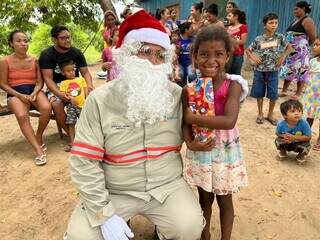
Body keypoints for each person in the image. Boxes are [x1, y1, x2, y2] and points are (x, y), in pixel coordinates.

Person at [64, 10, 204, 240]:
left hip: (166, 186)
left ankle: (164, 229)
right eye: (145, 51)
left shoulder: (178, 96)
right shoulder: (100, 100)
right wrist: (104, 214)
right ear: (127, 55)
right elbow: (84, 162)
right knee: (81, 237)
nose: (153, 61)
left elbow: (204, 123)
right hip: (114, 189)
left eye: (160, 54)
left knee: (188, 227)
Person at [182, 26, 248, 240]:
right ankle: (205, 236)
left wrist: (194, 118)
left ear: (228, 56)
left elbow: (229, 121)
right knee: (204, 199)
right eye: (204, 54)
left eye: (218, 54)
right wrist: (190, 143)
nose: (211, 60)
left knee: (225, 201)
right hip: (202, 149)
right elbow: (184, 124)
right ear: (194, 56)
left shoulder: (233, 85)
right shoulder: (190, 89)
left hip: (225, 151)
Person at [0, 30, 52, 166]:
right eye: (19, 41)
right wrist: (19, 95)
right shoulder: (5, 61)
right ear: (11, 44)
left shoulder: (35, 60)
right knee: (22, 115)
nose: (23, 44)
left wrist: (34, 92)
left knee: (46, 108)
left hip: (33, 90)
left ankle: (38, 136)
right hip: (15, 93)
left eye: (25, 41)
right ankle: (38, 150)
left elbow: (40, 82)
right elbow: (3, 84)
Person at [39, 25, 93, 147]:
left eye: (69, 37)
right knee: (57, 103)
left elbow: (85, 73)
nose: (67, 40)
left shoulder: (76, 53)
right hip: (56, 87)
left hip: (75, 85)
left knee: (90, 100)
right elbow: (48, 79)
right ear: (54, 39)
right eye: (63, 38)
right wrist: (61, 94)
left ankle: (89, 133)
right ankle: (72, 136)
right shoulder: (46, 55)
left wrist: (89, 87)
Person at [246, 13, 292, 125]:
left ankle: (270, 114)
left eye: (276, 23)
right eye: (271, 23)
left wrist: (282, 57)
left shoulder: (280, 37)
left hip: (273, 70)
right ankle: (260, 114)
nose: (274, 25)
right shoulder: (259, 39)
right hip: (259, 70)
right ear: (264, 25)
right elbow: (248, 50)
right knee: (259, 92)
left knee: (273, 93)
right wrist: (253, 57)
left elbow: (289, 48)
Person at [279, 1, 317, 99]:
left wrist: (304, 48)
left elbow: (313, 37)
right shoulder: (296, 20)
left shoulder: (307, 20)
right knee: (289, 69)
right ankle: (284, 90)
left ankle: (298, 93)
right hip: (291, 51)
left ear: (303, 9)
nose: (294, 11)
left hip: (300, 51)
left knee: (301, 70)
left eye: (296, 9)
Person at [59, 61, 88, 152]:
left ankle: (87, 142)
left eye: (73, 70)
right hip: (71, 107)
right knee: (71, 123)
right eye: (68, 71)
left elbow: (85, 91)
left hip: (83, 106)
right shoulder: (63, 83)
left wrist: (87, 102)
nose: (71, 72)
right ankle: (72, 142)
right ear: (63, 73)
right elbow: (63, 95)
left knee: (85, 124)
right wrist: (70, 97)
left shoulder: (81, 80)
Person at [275, 99, 312, 164]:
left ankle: (300, 155)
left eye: (299, 111)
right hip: (287, 142)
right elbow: (277, 133)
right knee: (278, 141)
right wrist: (285, 137)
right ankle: (283, 151)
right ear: (285, 115)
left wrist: (294, 138)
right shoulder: (281, 124)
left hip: (299, 143)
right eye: (293, 111)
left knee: (307, 145)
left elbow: (308, 137)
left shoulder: (304, 123)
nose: (297, 113)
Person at [302, 36, 320, 151]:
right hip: (311, 95)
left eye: (317, 45)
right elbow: (308, 76)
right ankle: (306, 136)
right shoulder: (313, 61)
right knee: (309, 116)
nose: (314, 47)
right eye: (314, 44)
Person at [226, 9, 248, 75]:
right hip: (227, 55)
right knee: (226, 75)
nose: (227, 18)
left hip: (238, 55)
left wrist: (232, 40)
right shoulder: (227, 28)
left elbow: (243, 41)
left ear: (236, 17)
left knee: (235, 75)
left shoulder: (243, 27)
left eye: (230, 16)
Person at [178, 21, 196, 86]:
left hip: (190, 63)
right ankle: (181, 92)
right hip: (180, 64)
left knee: (191, 75)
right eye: (191, 28)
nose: (193, 30)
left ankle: (194, 90)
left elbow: (194, 54)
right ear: (186, 30)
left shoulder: (193, 40)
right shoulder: (178, 40)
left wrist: (193, 66)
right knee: (180, 75)